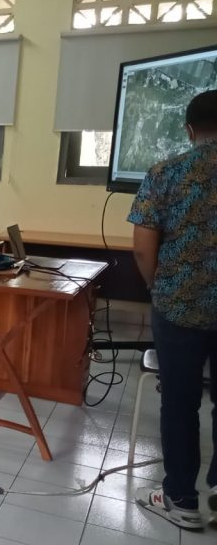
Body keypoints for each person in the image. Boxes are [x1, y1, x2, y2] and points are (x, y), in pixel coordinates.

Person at [129, 89, 217, 531]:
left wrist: (157, 287)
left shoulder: (165, 173)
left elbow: (143, 249)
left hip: (179, 306)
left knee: (180, 403)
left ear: (188, 129)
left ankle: (181, 500)